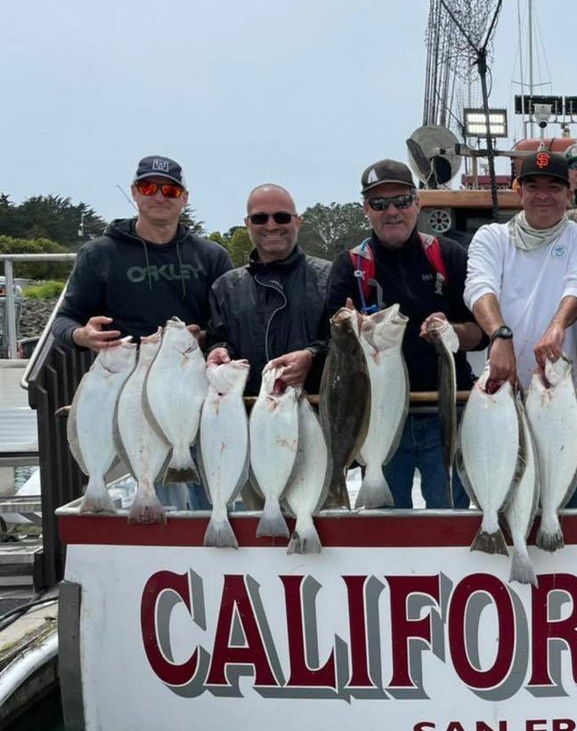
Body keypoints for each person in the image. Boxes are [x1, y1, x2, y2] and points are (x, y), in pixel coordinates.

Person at [325, 159, 484, 509]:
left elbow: (480, 334)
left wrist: (451, 332)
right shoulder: (349, 266)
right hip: (379, 416)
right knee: (385, 523)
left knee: (452, 517)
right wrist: (347, 329)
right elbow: (330, 346)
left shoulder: (448, 255)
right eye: (379, 204)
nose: (391, 211)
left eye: (401, 200)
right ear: (366, 209)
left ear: (417, 203)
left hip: (443, 415)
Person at [464, 151, 577, 505]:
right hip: (501, 396)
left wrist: (558, 327)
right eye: (533, 185)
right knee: (501, 501)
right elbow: (479, 287)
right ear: (517, 190)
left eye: (554, 186)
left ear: (570, 194)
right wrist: (500, 335)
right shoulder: (491, 237)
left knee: (565, 511)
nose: (543, 194)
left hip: (563, 398)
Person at [53, 155, 231, 351]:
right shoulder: (97, 254)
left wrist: (203, 338)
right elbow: (64, 319)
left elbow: (229, 323)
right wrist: (82, 336)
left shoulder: (213, 256)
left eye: (171, 190)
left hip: (189, 368)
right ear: (134, 192)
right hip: (123, 372)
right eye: (148, 188)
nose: (159, 197)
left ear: (184, 198)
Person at [205, 185, 329, 393]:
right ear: (247, 224)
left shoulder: (331, 277)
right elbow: (215, 340)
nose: (271, 226)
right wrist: (218, 351)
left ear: (298, 221)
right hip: (247, 415)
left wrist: (312, 355)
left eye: (282, 217)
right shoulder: (225, 287)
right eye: (260, 218)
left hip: (314, 412)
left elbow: (345, 343)